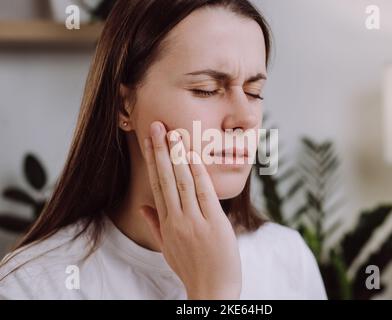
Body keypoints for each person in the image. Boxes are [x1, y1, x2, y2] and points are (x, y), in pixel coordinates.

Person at [0, 0, 327, 300]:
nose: (244, 119)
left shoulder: (287, 259)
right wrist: (214, 293)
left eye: (254, 92)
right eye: (206, 89)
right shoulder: (32, 284)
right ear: (124, 106)